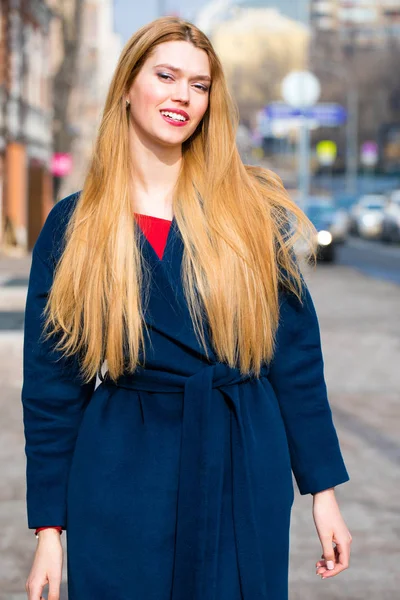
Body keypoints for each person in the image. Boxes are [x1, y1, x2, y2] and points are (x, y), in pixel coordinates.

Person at [22, 16, 351, 600]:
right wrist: (50, 528)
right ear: (127, 85)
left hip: (240, 459)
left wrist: (322, 492)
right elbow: (51, 387)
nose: (182, 96)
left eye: (199, 85)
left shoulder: (248, 212)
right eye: (166, 75)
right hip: (124, 467)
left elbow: (295, 359)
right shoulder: (74, 226)